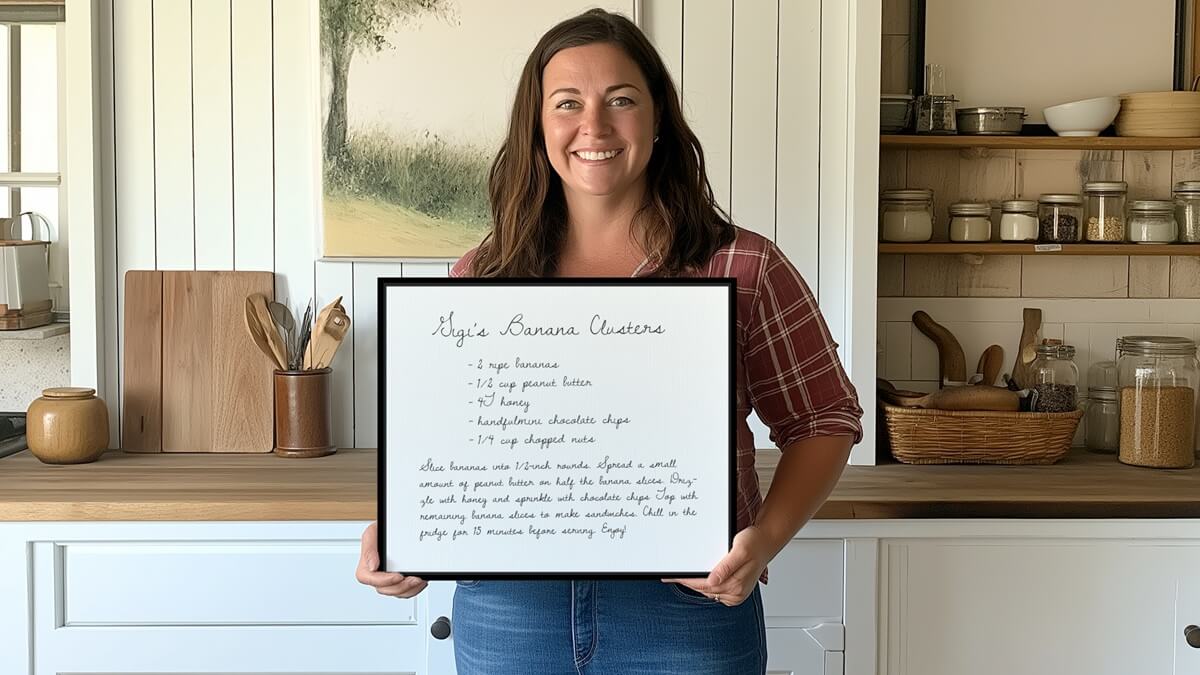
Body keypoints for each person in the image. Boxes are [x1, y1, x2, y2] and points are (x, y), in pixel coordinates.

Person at [355, 8, 863, 674]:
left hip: (687, 608)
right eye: (567, 103)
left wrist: (763, 540)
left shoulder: (743, 265)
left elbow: (824, 417)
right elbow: (451, 446)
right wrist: (400, 532)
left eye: (621, 100)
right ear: (538, 127)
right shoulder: (481, 276)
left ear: (658, 121)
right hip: (511, 610)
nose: (593, 126)